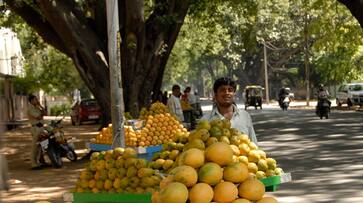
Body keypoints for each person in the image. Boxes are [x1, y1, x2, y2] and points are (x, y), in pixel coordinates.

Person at [202, 77, 258, 145]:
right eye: (222, 90)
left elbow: (253, 143)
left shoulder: (245, 116)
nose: (227, 93)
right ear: (216, 95)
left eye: (230, 90)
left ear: (234, 94)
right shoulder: (206, 120)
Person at [27, 94, 47, 170]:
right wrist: (41, 114)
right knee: (35, 147)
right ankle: (33, 163)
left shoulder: (37, 107)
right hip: (35, 128)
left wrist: (40, 106)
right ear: (31, 101)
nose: (37, 101)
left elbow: (44, 113)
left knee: (41, 146)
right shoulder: (30, 109)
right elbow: (38, 117)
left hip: (41, 128)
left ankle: (40, 161)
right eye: (35, 99)